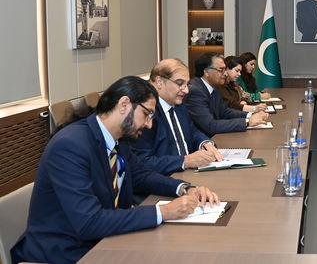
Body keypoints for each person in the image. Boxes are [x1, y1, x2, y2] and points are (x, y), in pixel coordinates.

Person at [12, 76, 219, 264]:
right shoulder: (69, 146)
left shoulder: (118, 139)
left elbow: (141, 175)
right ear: (124, 104)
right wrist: (163, 212)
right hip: (66, 251)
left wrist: (185, 188)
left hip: (105, 239)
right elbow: (89, 222)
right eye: (146, 114)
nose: (149, 125)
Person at [131, 58, 223, 176]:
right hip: (164, 180)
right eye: (180, 84)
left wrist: (205, 143)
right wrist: (185, 161)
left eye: (187, 84)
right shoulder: (145, 113)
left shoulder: (179, 105)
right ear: (159, 82)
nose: (186, 90)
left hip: (190, 174)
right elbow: (143, 162)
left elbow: (192, 131)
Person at [185, 52, 269, 137]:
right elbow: (210, 125)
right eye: (221, 70)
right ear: (206, 72)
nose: (225, 74)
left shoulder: (214, 87)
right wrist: (247, 122)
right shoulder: (195, 91)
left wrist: (251, 115)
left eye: (225, 69)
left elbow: (224, 112)